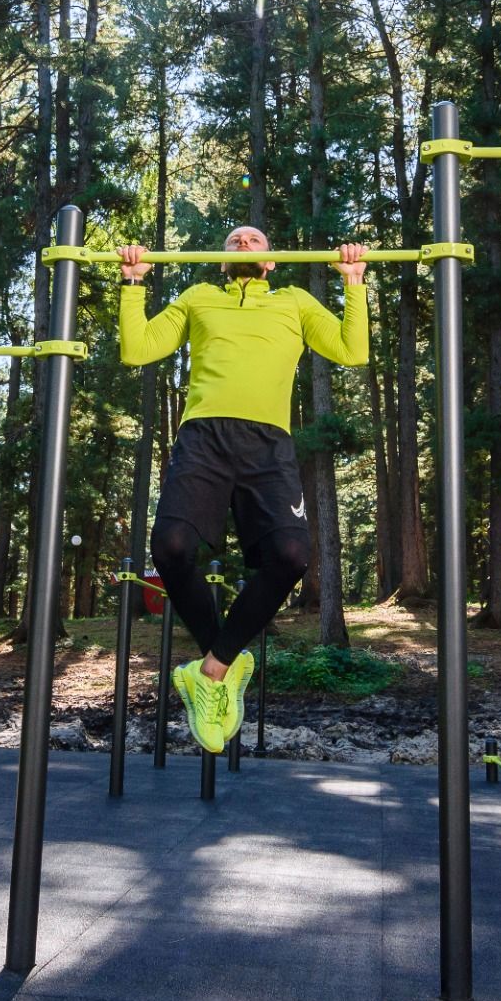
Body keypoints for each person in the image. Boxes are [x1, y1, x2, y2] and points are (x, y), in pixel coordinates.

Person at [117, 227, 369, 753]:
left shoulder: (294, 302)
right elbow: (138, 351)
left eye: (255, 239)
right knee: (171, 547)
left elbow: (352, 350)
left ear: (272, 260)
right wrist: (133, 283)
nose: (245, 243)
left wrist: (353, 282)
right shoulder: (198, 297)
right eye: (235, 240)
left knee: (291, 555)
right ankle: (221, 669)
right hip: (203, 437)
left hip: (268, 445)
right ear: (221, 259)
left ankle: (210, 669)